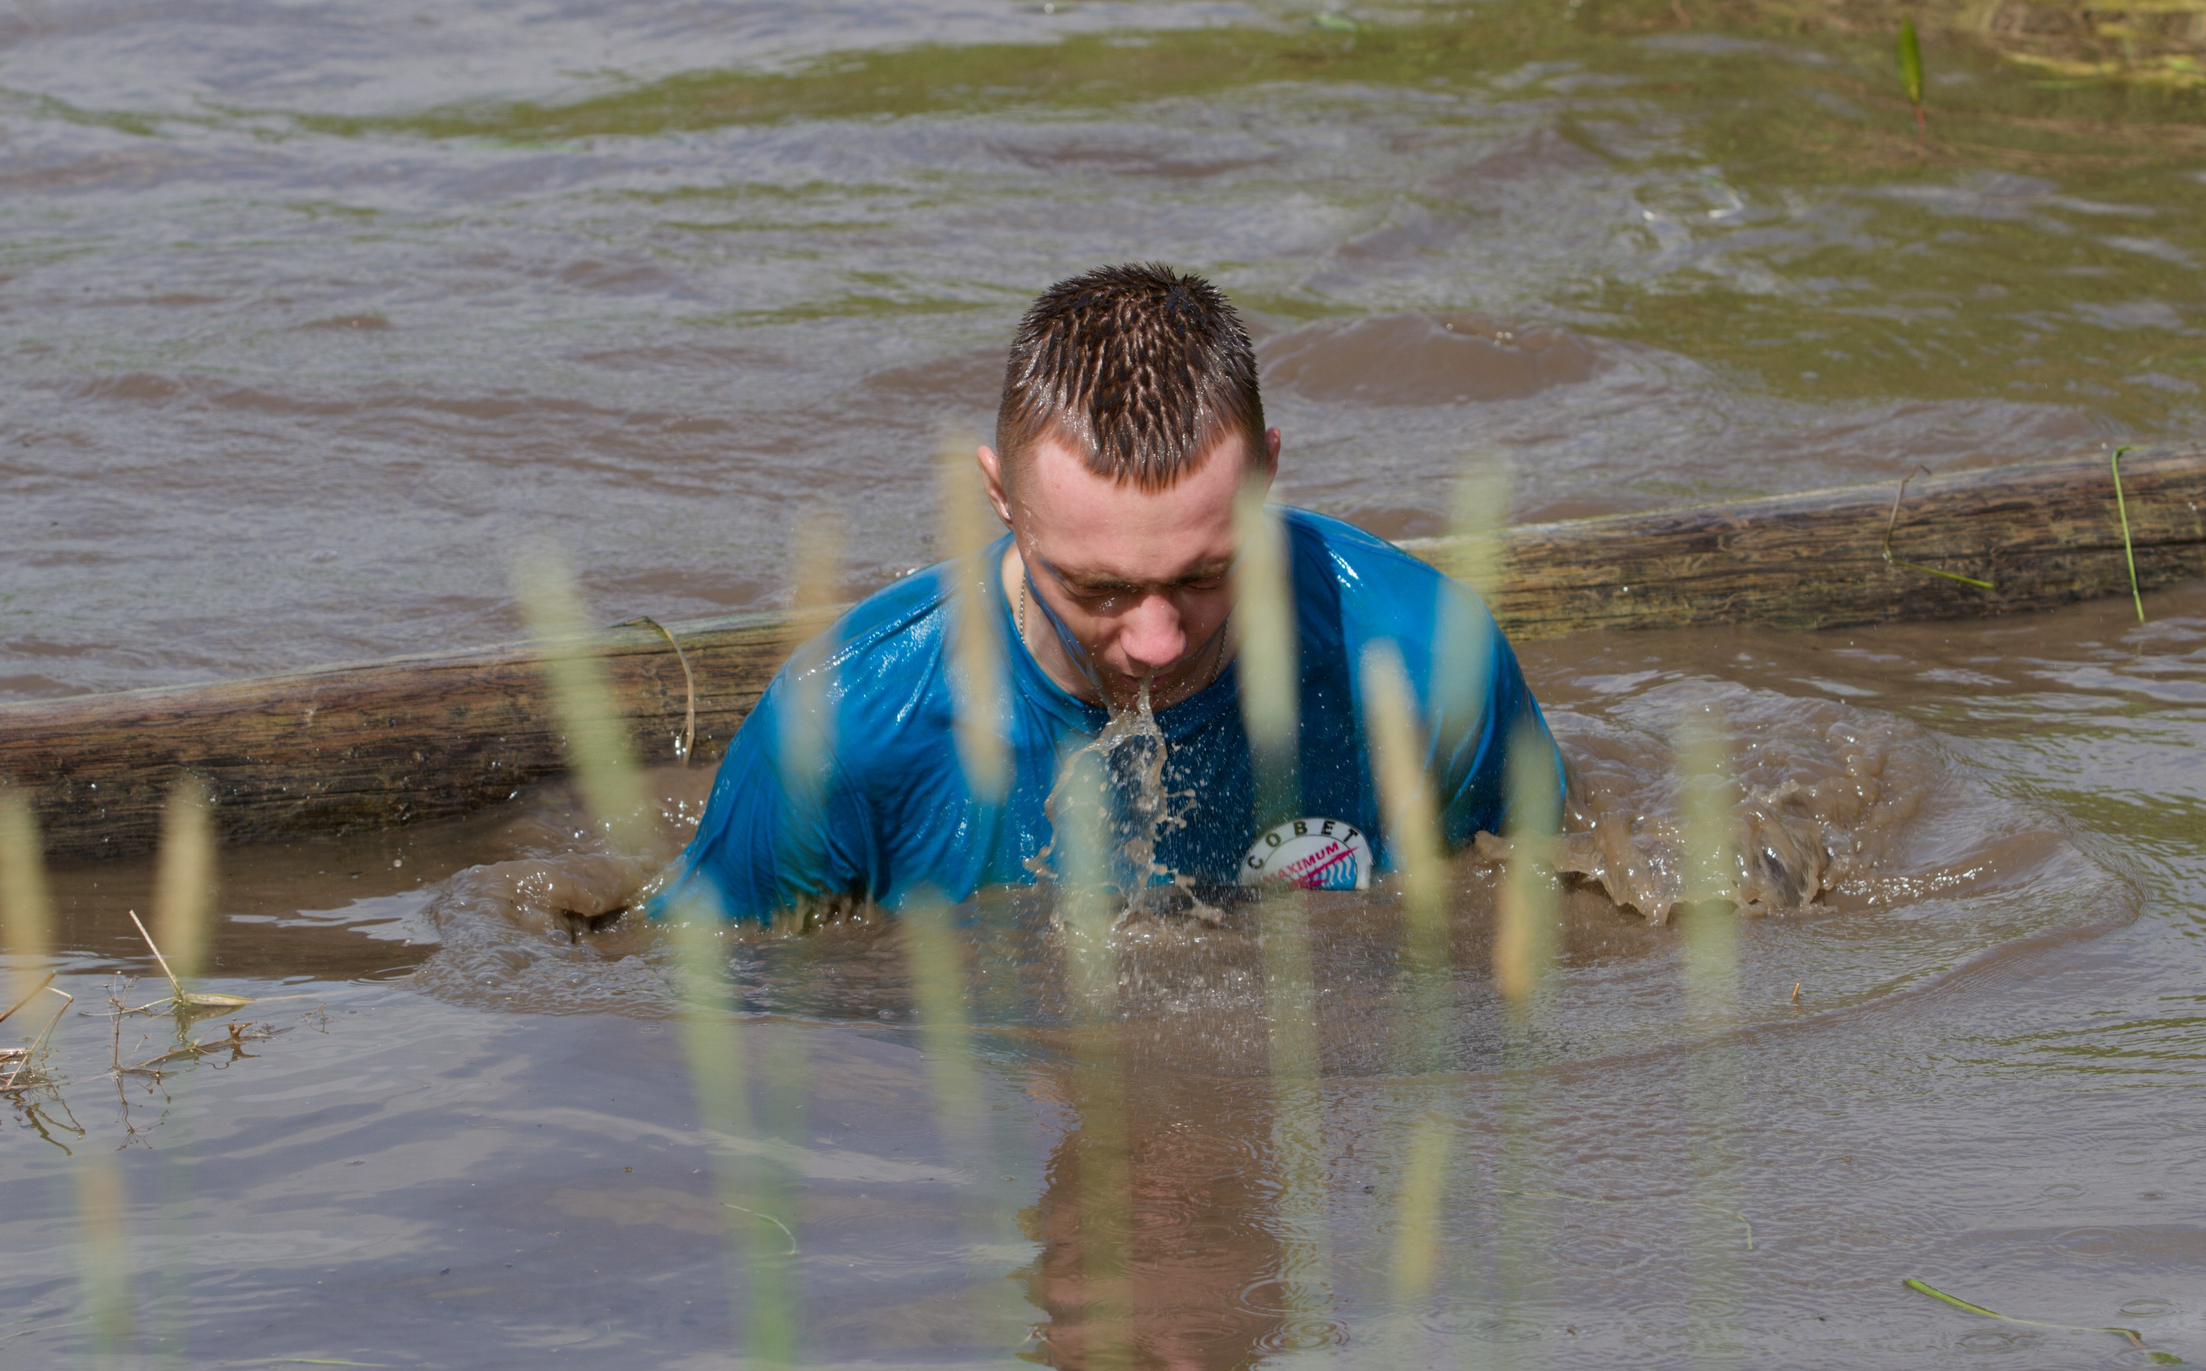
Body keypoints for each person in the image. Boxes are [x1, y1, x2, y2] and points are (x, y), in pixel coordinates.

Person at [646, 263, 1561, 927]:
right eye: (1099, 588)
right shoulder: (840, 731)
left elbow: (1552, 909)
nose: (1158, 642)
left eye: (1205, 573)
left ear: (1268, 474)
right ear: (999, 497)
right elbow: (707, 1010)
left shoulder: (1432, 660)